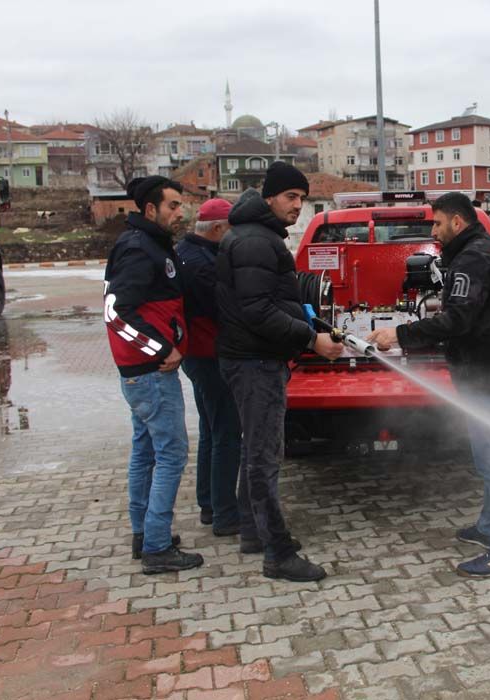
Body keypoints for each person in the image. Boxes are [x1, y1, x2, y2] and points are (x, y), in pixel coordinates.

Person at [368, 192, 490, 577]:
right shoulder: (478, 252)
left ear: (457, 222)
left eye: (438, 223)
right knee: (486, 458)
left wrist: (400, 335)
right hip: (487, 372)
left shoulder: (473, 259)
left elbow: (458, 320)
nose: (434, 232)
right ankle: (489, 527)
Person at [216, 162, 343, 583]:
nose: (297, 205)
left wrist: (310, 323)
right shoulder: (255, 240)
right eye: (291, 197)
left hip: (252, 358)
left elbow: (271, 300)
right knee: (264, 458)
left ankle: (254, 532)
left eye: (302, 199)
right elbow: (257, 310)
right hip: (255, 362)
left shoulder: (257, 235)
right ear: (269, 196)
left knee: (255, 451)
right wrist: (311, 340)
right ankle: (278, 554)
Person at [103, 175, 203, 575]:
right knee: (172, 454)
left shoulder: (153, 244)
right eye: (173, 206)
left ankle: (145, 534)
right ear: (150, 209)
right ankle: (157, 547)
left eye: (181, 205)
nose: (181, 212)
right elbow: (115, 312)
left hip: (145, 374)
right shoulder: (138, 248)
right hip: (150, 374)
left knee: (145, 452)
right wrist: (162, 349)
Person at [177, 198, 241, 537]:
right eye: (231, 230)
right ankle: (226, 515)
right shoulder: (202, 264)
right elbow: (224, 311)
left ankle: (209, 504)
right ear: (217, 228)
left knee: (211, 431)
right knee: (227, 433)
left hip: (197, 356)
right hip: (210, 357)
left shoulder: (186, 252)